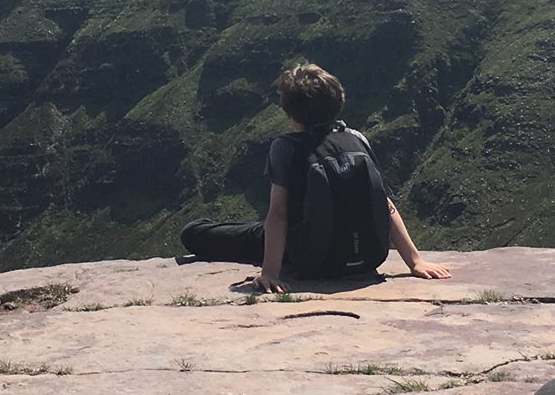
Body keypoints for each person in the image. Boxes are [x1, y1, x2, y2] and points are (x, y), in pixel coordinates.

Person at [181, 63, 452, 292]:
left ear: (289, 111)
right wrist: (415, 261)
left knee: (199, 234)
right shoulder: (357, 139)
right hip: (368, 258)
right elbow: (384, 203)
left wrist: (270, 273)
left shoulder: (286, 147)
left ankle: (197, 228)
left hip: (312, 260)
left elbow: (278, 214)